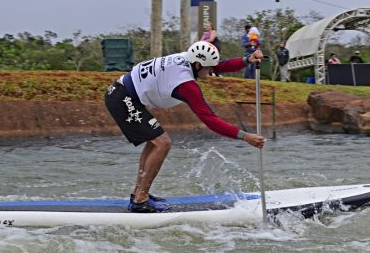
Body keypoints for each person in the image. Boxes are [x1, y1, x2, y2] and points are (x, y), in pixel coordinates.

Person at [104, 41, 266, 213]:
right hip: (122, 99)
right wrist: (245, 136)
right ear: (197, 64)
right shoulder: (186, 84)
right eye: (209, 68)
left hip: (123, 93)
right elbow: (210, 120)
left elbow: (220, 66)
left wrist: (248, 59)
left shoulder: (187, 57)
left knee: (154, 142)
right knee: (162, 143)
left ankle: (139, 192)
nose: (212, 72)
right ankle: (140, 200)